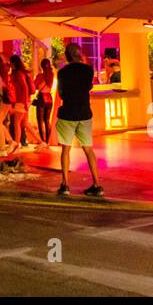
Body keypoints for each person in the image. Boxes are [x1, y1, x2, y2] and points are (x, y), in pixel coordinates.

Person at [55, 43, 103, 196]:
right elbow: (89, 87)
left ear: (67, 56)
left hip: (68, 113)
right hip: (84, 113)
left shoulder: (62, 73)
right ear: (80, 54)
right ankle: (96, 184)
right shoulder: (88, 70)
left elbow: (61, 94)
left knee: (66, 149)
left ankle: (65, 184)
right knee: (88, 149)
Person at [8, 54, 41, 149]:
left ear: (14, 63)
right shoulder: (22, 73)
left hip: (21, 101)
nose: (10, 65)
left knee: (16, 123)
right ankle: (41, 142)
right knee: (25, 124)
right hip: (25, 100)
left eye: (10, 63)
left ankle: (16, 144)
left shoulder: (18, 73)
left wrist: (24, 102)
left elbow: (24, 87)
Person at [35, 58, 55, 145]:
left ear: (41, 66)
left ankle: (42, 141)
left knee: (40, 120)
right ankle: (47, 141)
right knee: (47, 120)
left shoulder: (40, 76)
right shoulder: (52, 75)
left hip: (42, 97)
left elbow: (35, 86)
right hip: (49, 98)